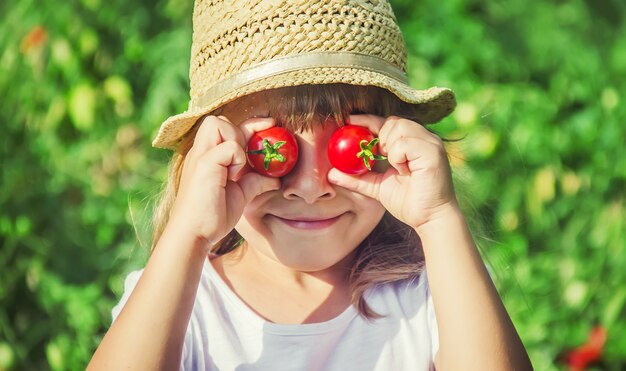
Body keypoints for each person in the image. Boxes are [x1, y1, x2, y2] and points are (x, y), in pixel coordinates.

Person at [88, 0, 532, 370]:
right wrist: (187, 235)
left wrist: (439, 220)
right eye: (270, 149)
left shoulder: (435, 288)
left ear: (394, 140)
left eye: (348, 142)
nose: (311, 186)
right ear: (209, 156)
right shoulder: (182, 300)